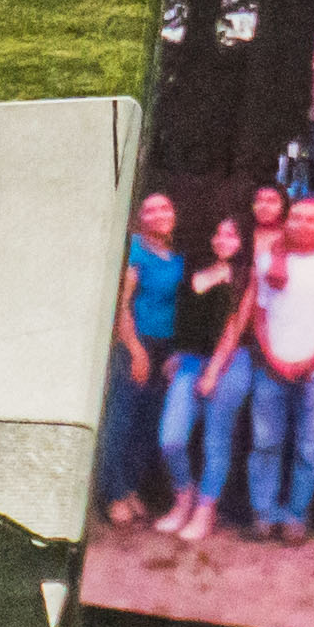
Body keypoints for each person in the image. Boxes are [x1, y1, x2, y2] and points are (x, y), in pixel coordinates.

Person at [223, 194, 314, 540]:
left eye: (310, 219)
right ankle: (264, 514)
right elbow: (260, 314)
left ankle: (295, 516)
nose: (301, 224)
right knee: (266, 443)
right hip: (271, 368)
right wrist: (271, 357)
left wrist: (310, 362)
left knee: (308, 449)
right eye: (295, 218)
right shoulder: (270, 261)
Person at [150, 211, 250, 540]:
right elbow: (186, 320)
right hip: (190, 361)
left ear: (243, 241)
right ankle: (184, 499)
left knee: (215, 442)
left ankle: (205, 511)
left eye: (232, 235)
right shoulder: (195, 269)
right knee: (172, 439)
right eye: (219, 234)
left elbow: (233, 329)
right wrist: (178, 352)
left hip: (228, 364)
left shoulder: (245, 276)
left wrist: (213, 372)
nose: (223, 240)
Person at [101, 187, 186, 526]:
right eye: (151, 210)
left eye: (165, 208)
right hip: (136, 343)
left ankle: (131, 488)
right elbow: (122, 304)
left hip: (165, 347)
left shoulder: (175, 257)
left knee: (147, 424)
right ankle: (114, 494)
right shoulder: (135, 251)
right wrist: (135, 349)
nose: (160, 215)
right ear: (140, 218)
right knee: (122, 420)